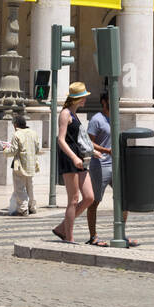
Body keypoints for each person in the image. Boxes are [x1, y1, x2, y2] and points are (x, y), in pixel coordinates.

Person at [85, 93, 139, 247]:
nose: (116, 103)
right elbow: (89, 143)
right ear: (104, 102)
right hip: (100, 165)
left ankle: (121, 234)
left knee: (124, 199)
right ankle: (93, 237)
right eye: (113, 100)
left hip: (115, 165)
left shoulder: (115, 118)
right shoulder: (96, 119)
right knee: (95, 201)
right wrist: (106, 150)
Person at [52, 82, 94, 244]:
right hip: (69, 158)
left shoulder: (74, 114)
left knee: (89, 197)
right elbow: (61, 140)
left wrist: (93, 152)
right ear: (77, 98)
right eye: (83, 97)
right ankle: (69, 237)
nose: (85, 100)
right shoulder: (65, 113)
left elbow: (78, 138)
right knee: (74, 199)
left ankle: (62, 227)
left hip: (78, 156)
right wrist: (74, 157)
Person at [5, 114, 40, 216]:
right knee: (30, 186)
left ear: (15, 125)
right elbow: (37, 149)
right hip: (32, 164)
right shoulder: (34, 133)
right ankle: (32, 207)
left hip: (20, 165)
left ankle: (23, 209)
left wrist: (5, 149)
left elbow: (13, 151)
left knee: (20, 187)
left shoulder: (17, 134)